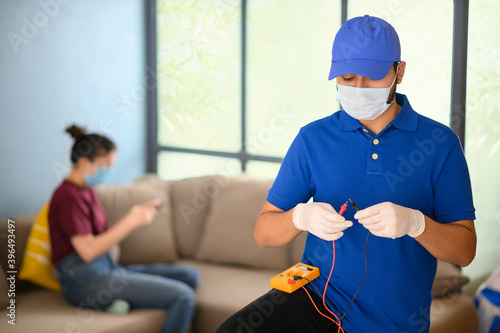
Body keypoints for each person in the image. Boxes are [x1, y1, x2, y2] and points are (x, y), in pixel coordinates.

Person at [216, 15, 476, 333]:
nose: (359, 89)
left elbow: (465, 250)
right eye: (348, 78)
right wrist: (299, 217)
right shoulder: (313, 139)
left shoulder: (439, 144)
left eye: (372, 77)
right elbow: (263, 233)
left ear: (400, 72)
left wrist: (416, 224)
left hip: (393, 322)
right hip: (317, 301)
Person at [49, 125, 200, 333]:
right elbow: (88, 250)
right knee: (183, 296)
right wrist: (131, 221)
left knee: (189, 276)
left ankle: (118, 300)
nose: (109, 171)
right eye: (105, 165)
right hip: (83, 279)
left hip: (107, 267)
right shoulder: (68, 197)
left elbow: (100, 237)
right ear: (84, 163)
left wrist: (136, 214)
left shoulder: (87, 190)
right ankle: (113, 299)